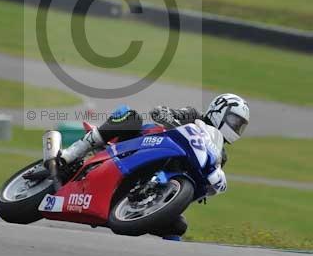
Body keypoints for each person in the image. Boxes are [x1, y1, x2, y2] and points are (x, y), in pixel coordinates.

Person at [58, 93, 250, 236]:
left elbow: (208, 176)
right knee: (130, 117)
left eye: (240, 125)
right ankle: (71, 154)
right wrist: (167, 116)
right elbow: (162, 111)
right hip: (140, 143)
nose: (235, 127)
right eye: (234, 120)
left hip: (165, 180)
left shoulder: (221, 155)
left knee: (178, 227)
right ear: (219, 111)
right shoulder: (194, 116)